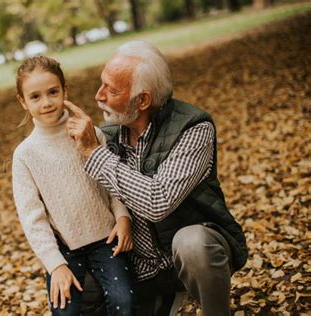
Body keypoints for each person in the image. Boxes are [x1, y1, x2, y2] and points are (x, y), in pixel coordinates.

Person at [64, 41, 248, 316]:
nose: (98, 96)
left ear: (143, 100)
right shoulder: (107, 135)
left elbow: (158, 201)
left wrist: (95, 154)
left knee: (193, 245)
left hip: (184, 258)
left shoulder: (194, 128)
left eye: (111, 90)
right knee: (78, 288)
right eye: (101, 84)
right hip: (136, 267)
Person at [11, 56, 136, 315]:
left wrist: (123, 217)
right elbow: (32, 217)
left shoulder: (90, 133)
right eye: (35, 97)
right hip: (64, 248)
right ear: (23, 101)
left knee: (124, 302)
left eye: (53, 92)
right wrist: (55, 264)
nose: (46, 102)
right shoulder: (25, 154)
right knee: (64, 310)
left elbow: (112, 179)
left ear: (65, 90)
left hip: (106, 238)